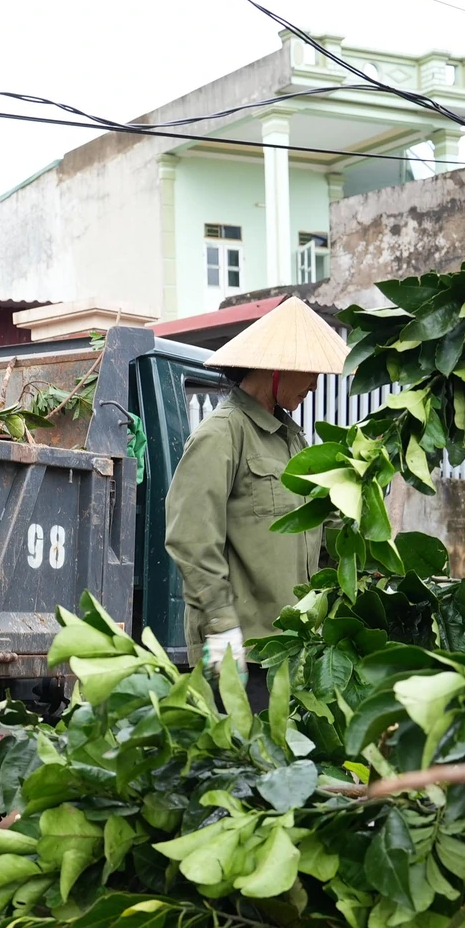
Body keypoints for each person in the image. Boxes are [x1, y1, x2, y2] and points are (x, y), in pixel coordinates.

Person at [164, 297, 349, 709]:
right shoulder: (221, 435)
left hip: (291, 650)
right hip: (241, 655)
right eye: (312, 372)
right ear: (277, 367)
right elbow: (190, 539)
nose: (316, 385)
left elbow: (316, 532)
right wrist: (221, 626)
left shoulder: (293, 439)